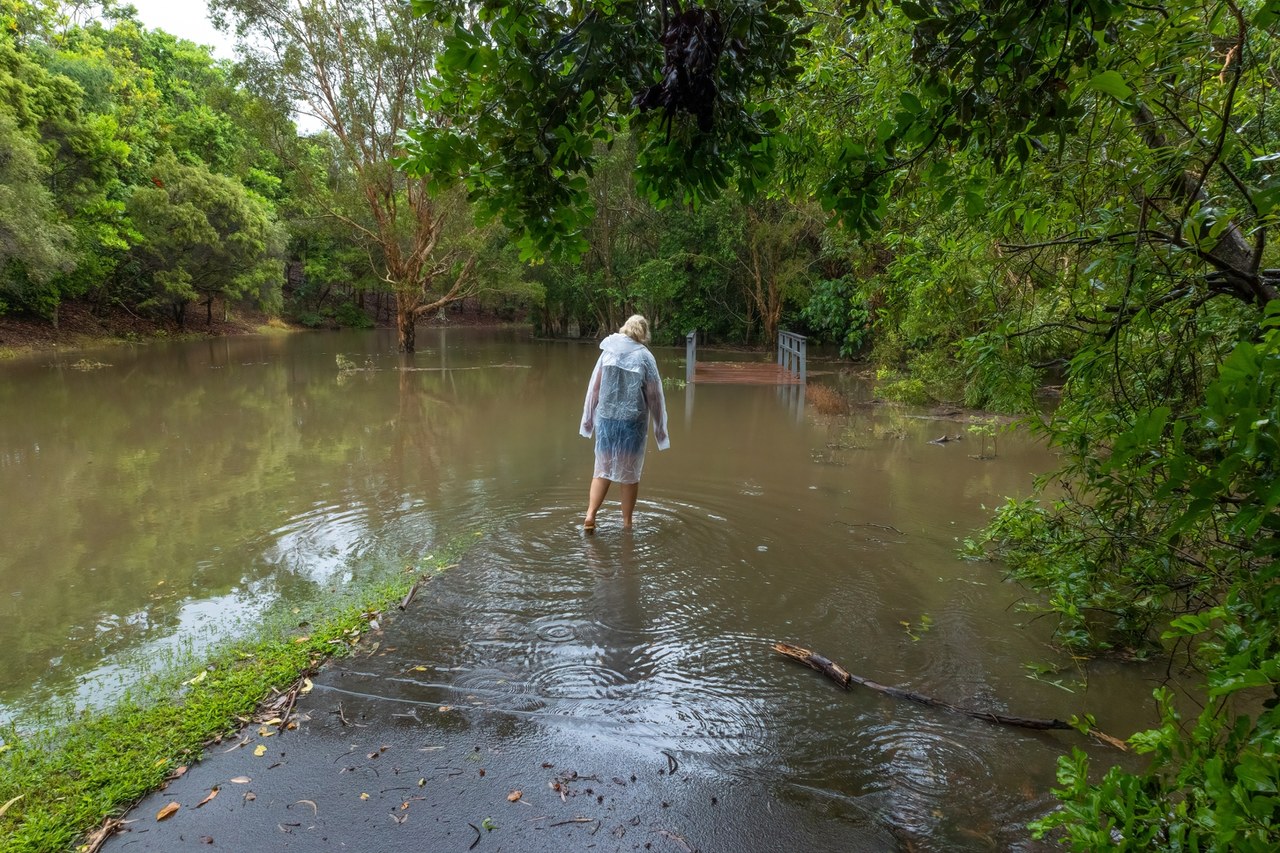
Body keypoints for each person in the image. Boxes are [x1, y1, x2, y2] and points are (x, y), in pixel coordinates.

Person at [579, 314, 669, 531]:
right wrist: (660, 430)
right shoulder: (645, 357)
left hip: (607, 420)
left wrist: (588, 421)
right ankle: (627, 523)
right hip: (632, 422)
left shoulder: (607, 352)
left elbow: (595, 388)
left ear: (624, 329)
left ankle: (590, 515)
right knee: (629, 475)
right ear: (644, 334)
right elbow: (655, 396)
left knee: (602, 469)